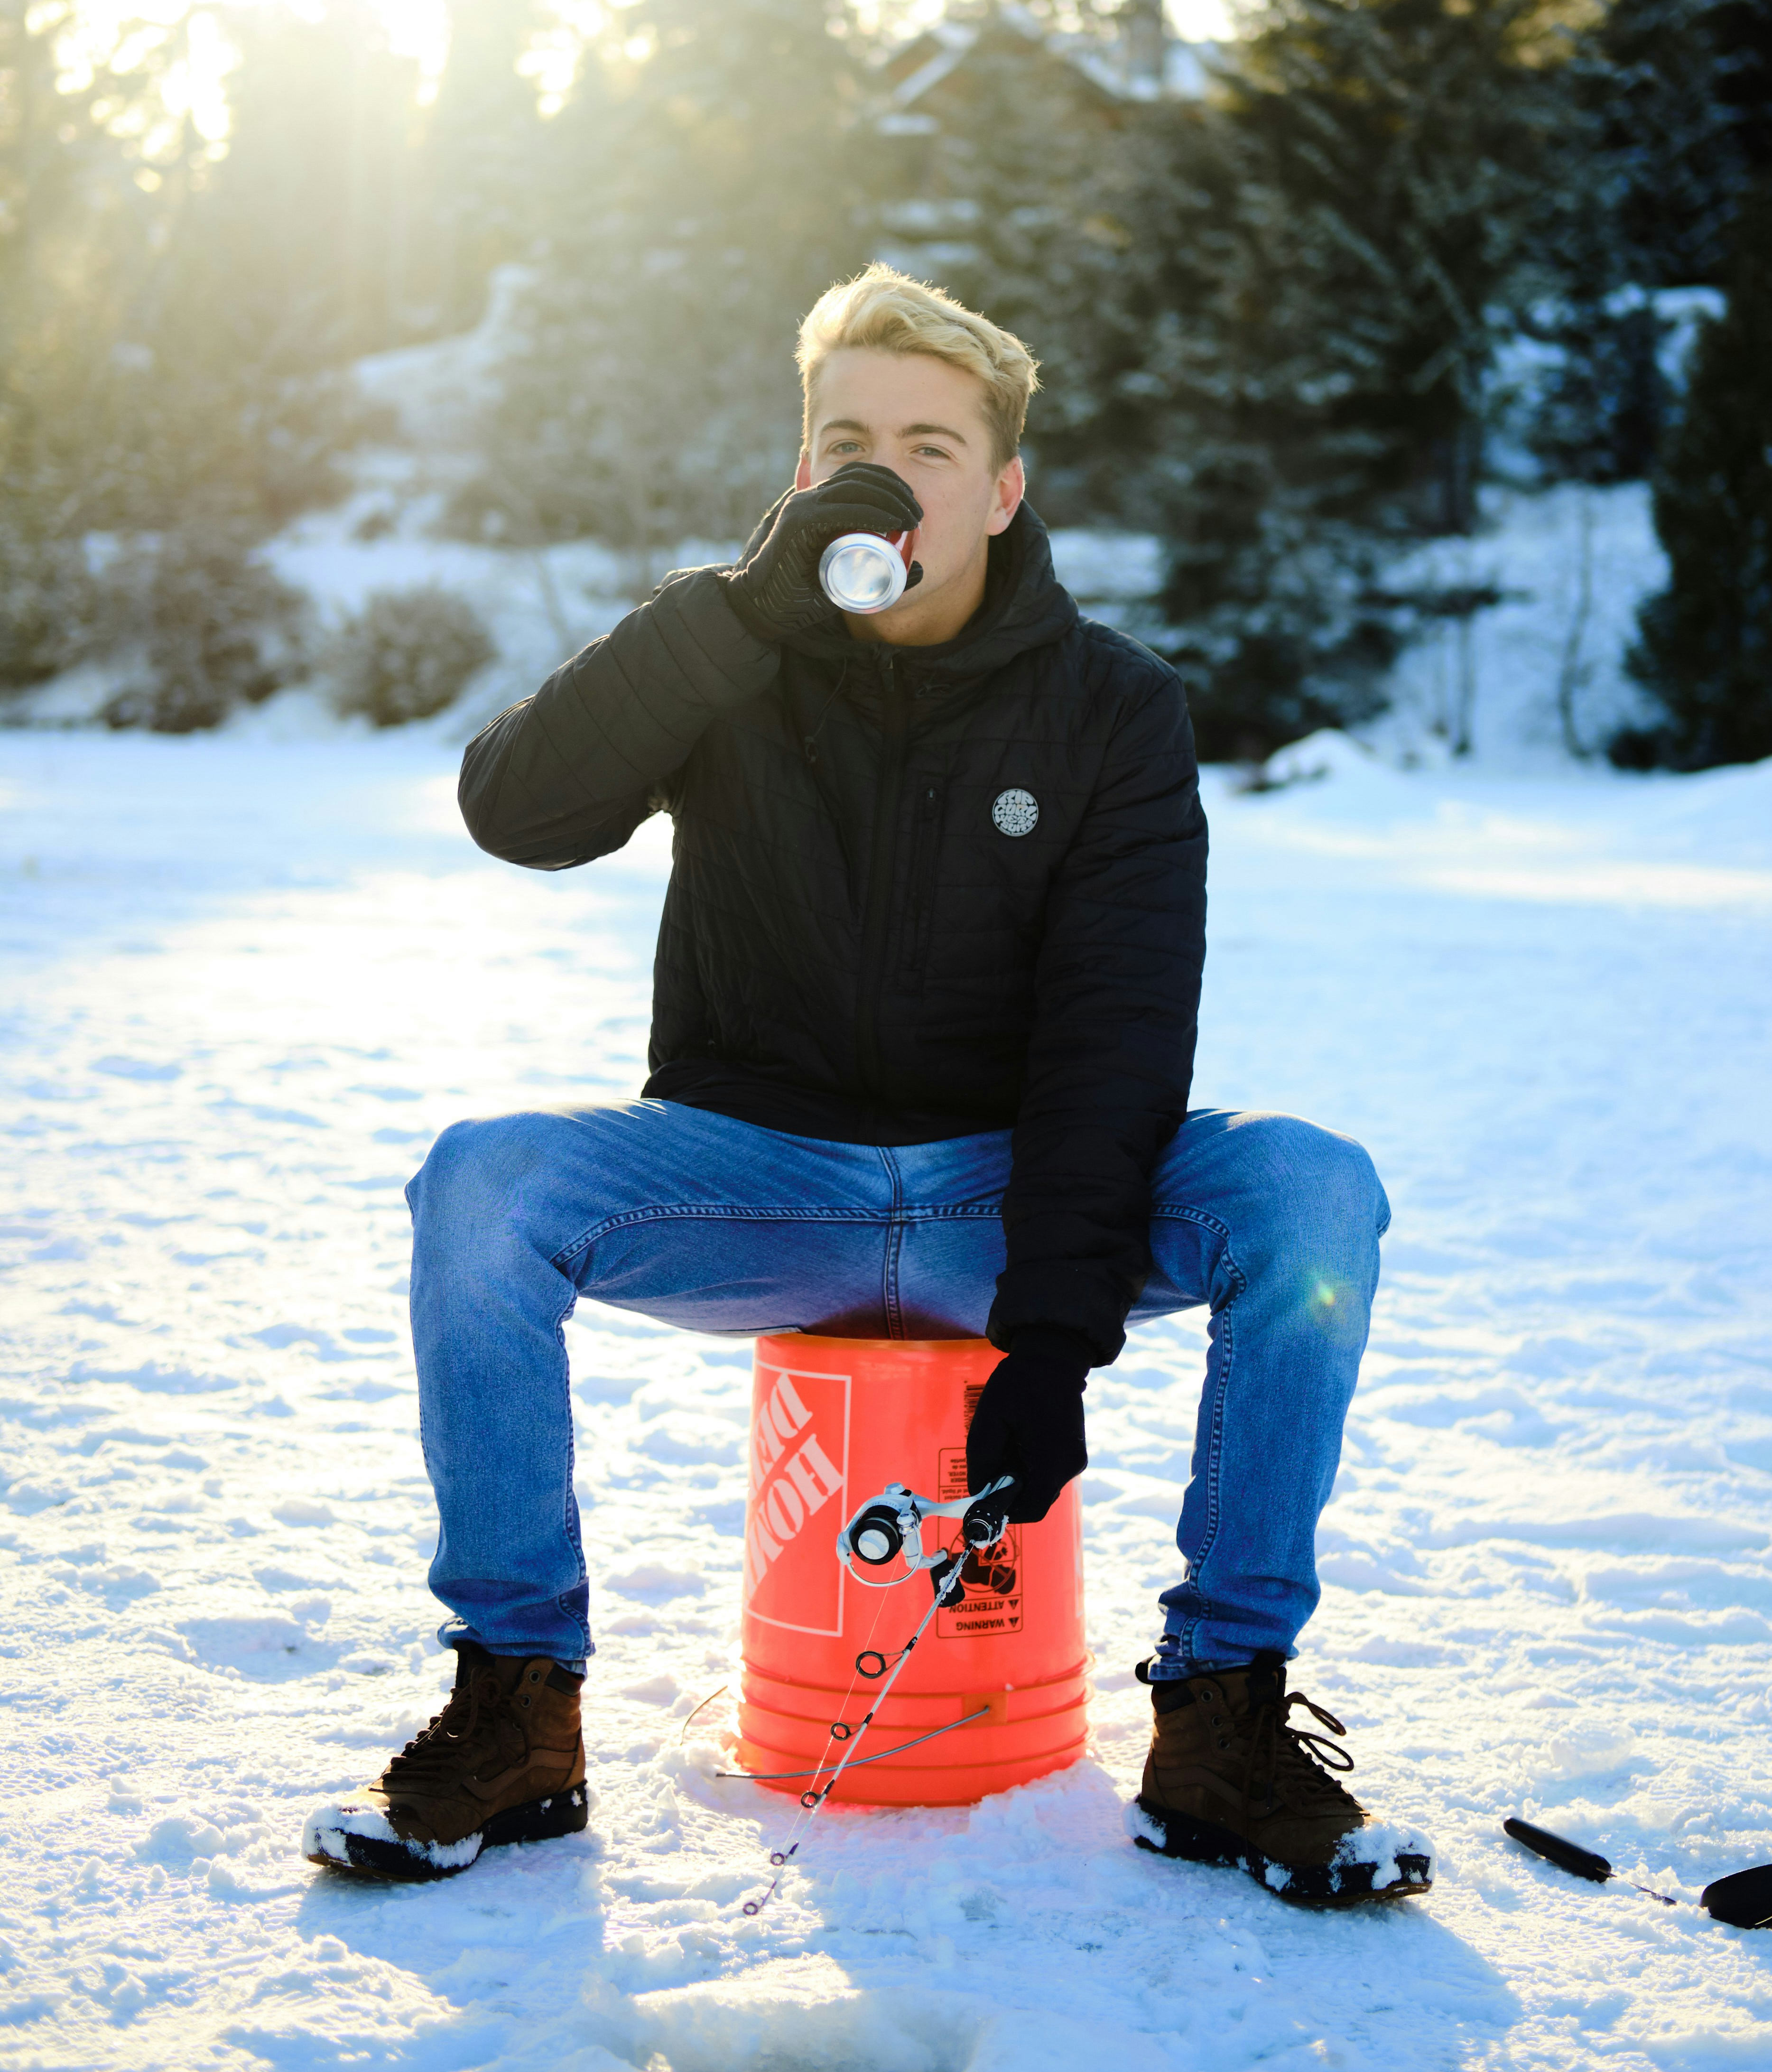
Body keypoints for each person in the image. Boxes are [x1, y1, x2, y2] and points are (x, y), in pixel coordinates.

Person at [301, 267, 1430, 1903]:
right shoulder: (730, 651)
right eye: (847, 440)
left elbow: (1118, 1034)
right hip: (754, 1180)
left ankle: (1223, 1719)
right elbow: (514, 809)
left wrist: (1052, 1335)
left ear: (1003, 486)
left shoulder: (1114, 706)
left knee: (1311, 1187)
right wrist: (733, 608)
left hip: (1005, 1188)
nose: (887, 477)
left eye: (929, 442)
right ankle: (518, 1708)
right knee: (482, 1184)